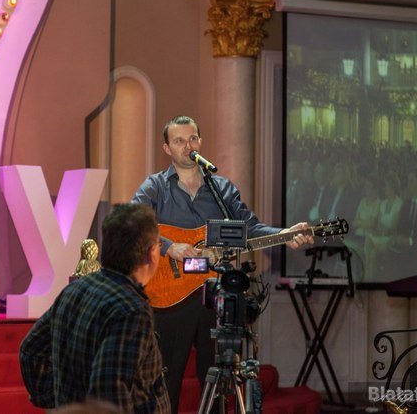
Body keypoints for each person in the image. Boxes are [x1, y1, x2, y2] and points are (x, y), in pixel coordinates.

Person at [131, 115, 313, 413]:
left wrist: (284, 234)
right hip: (170, 295)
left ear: (200, 142)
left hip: (214, 293)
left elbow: (250, 228)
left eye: (192, 139)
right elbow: (133, 223)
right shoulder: (156, 187)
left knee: (216, 380)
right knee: (166, 382)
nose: (188, 146)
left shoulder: (222, 189)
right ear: (167, 148)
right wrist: (169, 247)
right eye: (179, 141)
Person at [19, 203, 170, 413]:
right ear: (152, 253)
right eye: (159, 245)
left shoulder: (75, 289)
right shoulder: (131, 311)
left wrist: (63, 403)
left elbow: (31, 349)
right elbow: (108, 396)